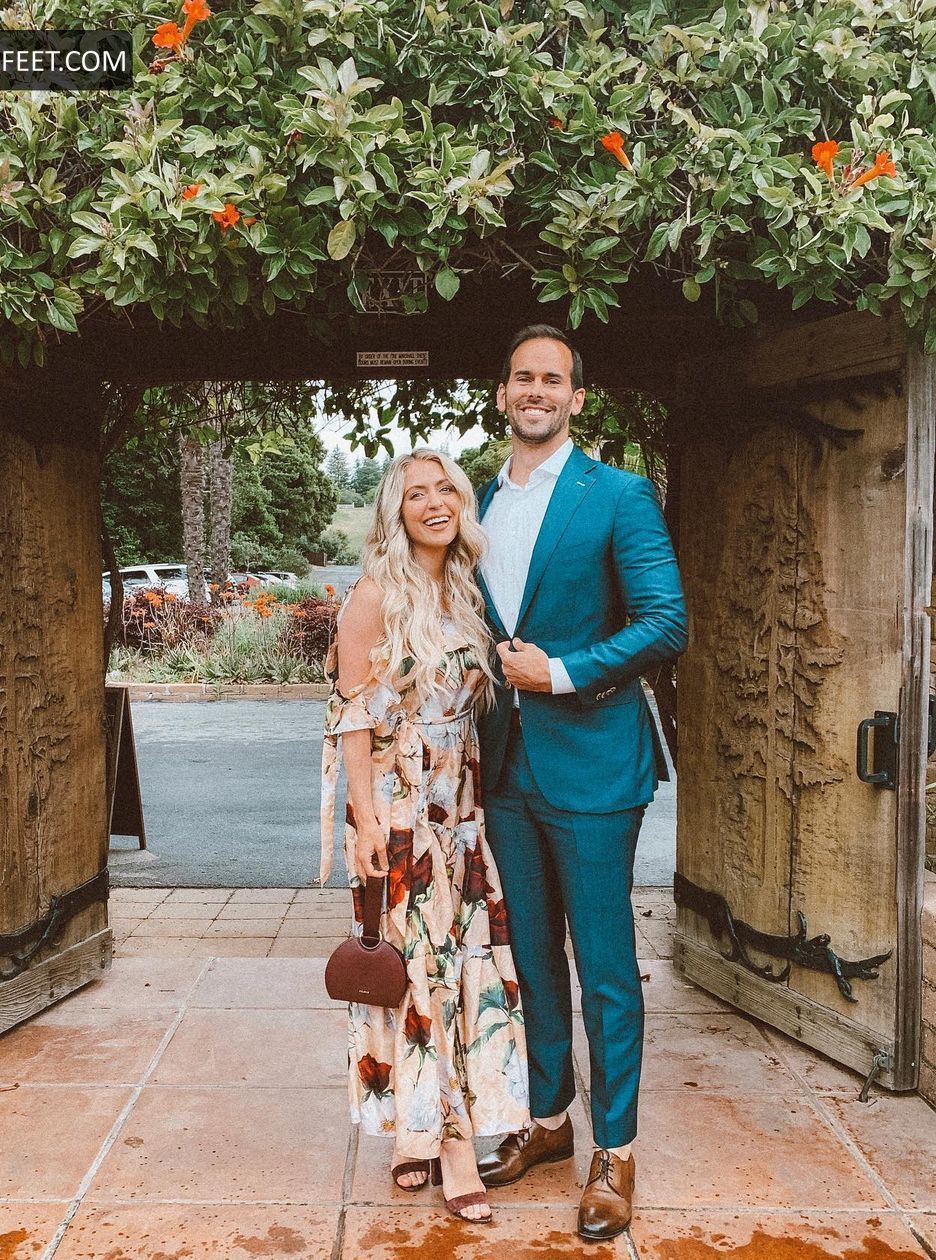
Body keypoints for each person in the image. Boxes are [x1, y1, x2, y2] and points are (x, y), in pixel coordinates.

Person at [474, 325, 687, 1241]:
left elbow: (665, 622)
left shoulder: (618, 495)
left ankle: (616, 1151)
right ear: (501, 394)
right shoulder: (481, 499)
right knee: (531, 959)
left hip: (595, 761)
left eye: (552, 379)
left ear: (576, 398)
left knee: (603, 966)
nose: (536, 390)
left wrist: (559, 673)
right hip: (505, 766)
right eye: (522, 377)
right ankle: (550, 1120)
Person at [320, 449, 530, 1223]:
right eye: (417, 494)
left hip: (460, 813)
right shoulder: (375, 594)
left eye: (447, 489)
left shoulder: (466, 591)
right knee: (415, 974)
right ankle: (451, 1146)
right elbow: (352, 715)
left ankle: (414, 1132)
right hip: (399, 814)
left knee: (455, 968)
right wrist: (366, 821)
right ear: (396, 511)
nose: (436, 502)